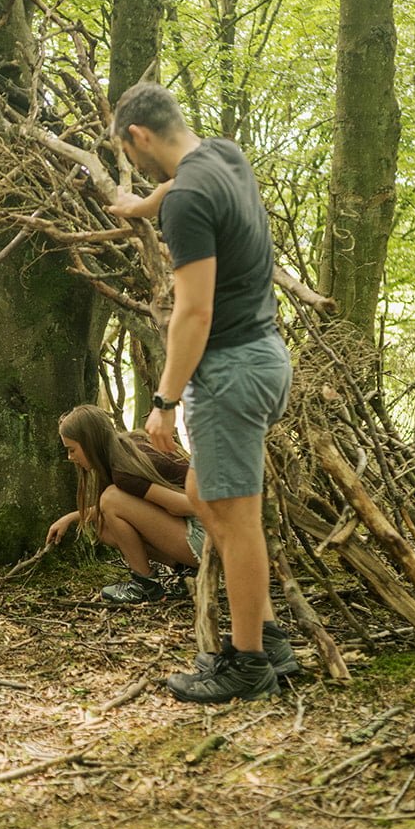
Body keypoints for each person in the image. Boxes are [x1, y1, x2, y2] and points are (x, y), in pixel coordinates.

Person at [109, 81, 298, 703]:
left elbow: (193, 313)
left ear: (138, 136)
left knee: (236, 521)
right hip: (265, 358)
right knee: (202, 494)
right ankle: (267, 639)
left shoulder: (188, 198)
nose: (134, 164)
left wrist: (164, 402)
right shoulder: (222, 155)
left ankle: (249, 661)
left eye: (128, 153)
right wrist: (141, 204)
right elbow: (175, 188)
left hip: (228, 372)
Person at [46, 404, 200, 602]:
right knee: (104, 527)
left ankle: (145, 586)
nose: (70, 457)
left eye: (72, 449)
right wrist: (71, 518)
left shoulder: (124, 471)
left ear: (89, 443)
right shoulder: (128, 447)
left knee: (110, 498)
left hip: (209, 536)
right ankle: (188, 571)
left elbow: (188, 505)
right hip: (206, 533)